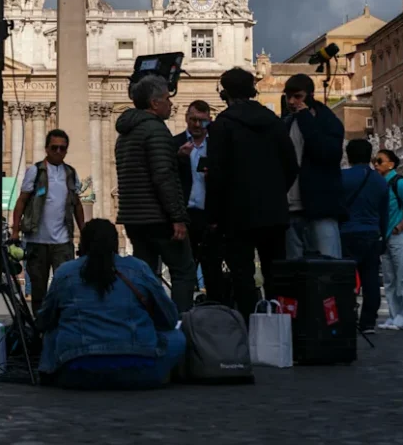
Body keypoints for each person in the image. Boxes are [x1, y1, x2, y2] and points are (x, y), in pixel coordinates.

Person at [37, 219, 184, 389]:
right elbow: (170, 318)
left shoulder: (66, 272)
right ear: (115, 242)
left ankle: (48, 373)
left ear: (83, 243)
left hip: (77, 370)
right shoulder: (138, 268)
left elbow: (44, 321)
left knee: (52, 334)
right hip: (139, 369)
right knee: (177, 337)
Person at [204, 68, 299, 318]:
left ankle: (250, 327)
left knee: (242, 275)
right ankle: (279, 328)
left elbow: (215, 174)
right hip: (274, 210)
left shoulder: (222, 125)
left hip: (236, 212)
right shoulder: (274, 121)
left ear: (225, 93)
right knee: (275, 274)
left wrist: (213, 215)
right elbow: (291, 165)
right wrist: (278, 191)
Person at [114, 75, 196, 312]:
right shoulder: (156, 130)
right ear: (154, 103)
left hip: (133, 216)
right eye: (167, 99)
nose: (171, 104)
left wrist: (173, 155)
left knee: (145, 275)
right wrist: (177, 217)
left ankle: (145, 324)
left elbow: (142, 167)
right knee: (183, 270)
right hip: (158, 216)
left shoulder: (125, 134)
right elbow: (162, 177)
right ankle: (179, 325)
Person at [12, 129, 85, 315]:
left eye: (63, 148)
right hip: (37, 241)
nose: (58, 152)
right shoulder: (35, 171)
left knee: (65, 286)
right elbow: (21, 201)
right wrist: (15, 231)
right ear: (46, 149)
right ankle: (39, 327)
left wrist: (84, 231)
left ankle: (60, 324)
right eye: (55, 148)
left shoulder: (70, 173)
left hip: (63, 241)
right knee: (38, 290)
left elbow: (77, 204)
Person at [282, 74, 345, 259]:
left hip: (321, 208)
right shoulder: (287, 123)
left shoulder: (327, 121)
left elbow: (327, 153)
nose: (292, 102)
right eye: (288, 96)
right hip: (291, 209)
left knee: (328, 267)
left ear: (310, 95)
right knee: (295, 272)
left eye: (298, 96)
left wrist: (305, 118)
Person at [339, 139, 389, 335]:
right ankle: (368, 322)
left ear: (349, 156)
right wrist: (383, 236)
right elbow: (384, 213)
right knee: (370, 279)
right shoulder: (379, 181)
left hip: (347, 233)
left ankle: (348, 315)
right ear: (370, 156)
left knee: (345, 279)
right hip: (371, 234)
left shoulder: (342, 177)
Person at [173, 101, 220, 299]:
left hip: (210, 214)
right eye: (193, 120)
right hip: (184, 215)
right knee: (183, 269)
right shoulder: (175, 143)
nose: (197, 125)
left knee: (213, 267)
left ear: (209, 120)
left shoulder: (218, 144)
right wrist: (178, 158)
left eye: (202, 121)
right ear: (186, 118)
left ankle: (215, 310)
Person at [373, 149, 403, 331]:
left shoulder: (399, 183)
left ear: (391, 164)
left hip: (400, 235)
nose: (375, 164)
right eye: (374, 161)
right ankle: (394, 315)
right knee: (390, 279)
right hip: (386, 238)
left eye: (379, 161)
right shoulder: (381, 184)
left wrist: (399, 227)